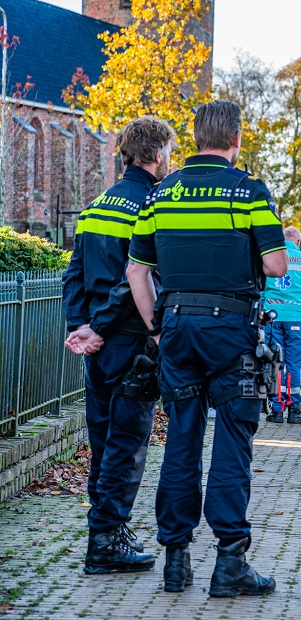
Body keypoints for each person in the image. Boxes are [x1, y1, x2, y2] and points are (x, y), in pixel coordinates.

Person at [126, 100, 289, 597]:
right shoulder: (248, 191)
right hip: (231, 332)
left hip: (176, 328)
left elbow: (136, 269)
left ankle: (176, 561)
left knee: (181, 439)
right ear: (235, 138)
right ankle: (230, 563)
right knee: (233, 443)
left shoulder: (160, 195)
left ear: (195, 138)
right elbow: (279, 265)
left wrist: (156, 327)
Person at [63, 116, 177, 575]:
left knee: (102, 440)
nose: (171, 159)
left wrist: (81, 327)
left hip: (97, 348)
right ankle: (106, 541)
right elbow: (137, 280)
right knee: (126, 446)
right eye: (169, 151)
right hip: (129, 342)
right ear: (156, 154)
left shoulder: (94, 207)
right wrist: (102, 327)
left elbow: (74, 274)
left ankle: (108, 530)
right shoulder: (152, 205)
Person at [261, 226, 301, 424]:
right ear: (298, 242)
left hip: (272, 318)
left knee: (275, 363)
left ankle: (277, 411)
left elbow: (260, 289)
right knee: (294, 364)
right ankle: (294, 409)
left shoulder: (270, 258)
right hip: (297, 318)